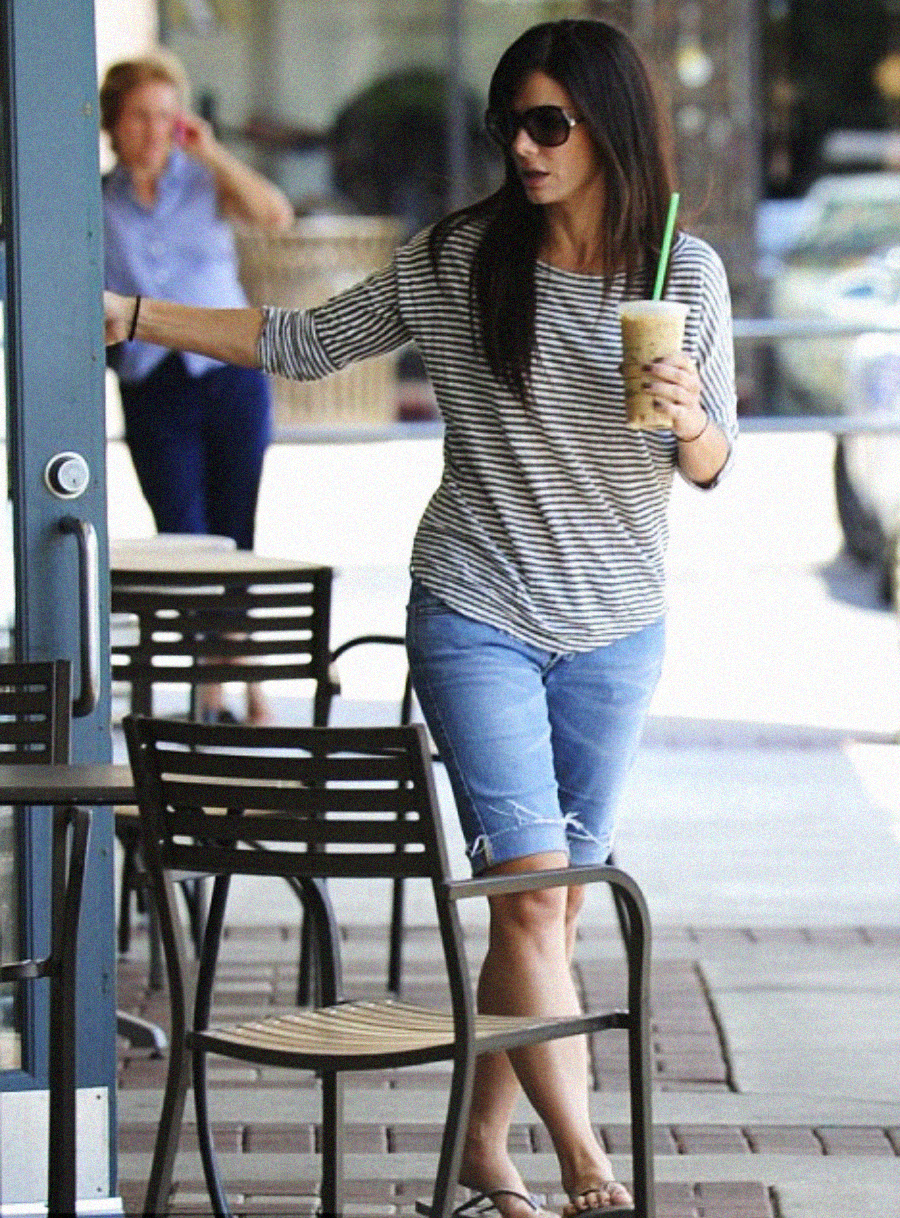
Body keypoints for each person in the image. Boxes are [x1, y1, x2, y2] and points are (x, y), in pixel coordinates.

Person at [105, 18, 737, 1216]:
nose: (525, 145)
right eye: (512, 122)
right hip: (477, 606)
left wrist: (689, 408)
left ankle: (478, 1142)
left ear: (609, 128)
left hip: (617, 626)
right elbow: (296, 340)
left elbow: (712, 466)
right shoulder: (461, 259)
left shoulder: (679, 274)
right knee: (534, 886)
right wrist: (138, 316)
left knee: (538, 902)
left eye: (549, 123)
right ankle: (592, 1163)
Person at [100, 51, 295, 725]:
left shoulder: (206, 182)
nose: (154, 130)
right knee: (183, 531)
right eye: (140, 116)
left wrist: (212, 153)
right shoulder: (95, 203)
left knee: (235, 531)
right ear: (114, 124)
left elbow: (276, 215)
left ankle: (226, 688)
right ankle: (233, 684)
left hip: (227, 375)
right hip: (153, 382)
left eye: (165, 116)